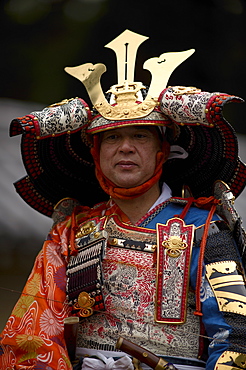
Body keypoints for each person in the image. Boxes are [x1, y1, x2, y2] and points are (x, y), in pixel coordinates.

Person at [1, 29, 246, 370]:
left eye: (140, 135)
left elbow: (236, 340)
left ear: (163, 150)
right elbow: (33, 338)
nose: (125, 147)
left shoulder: (206, 231)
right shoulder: (70, 232)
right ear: (95, 153)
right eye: (112, 136)